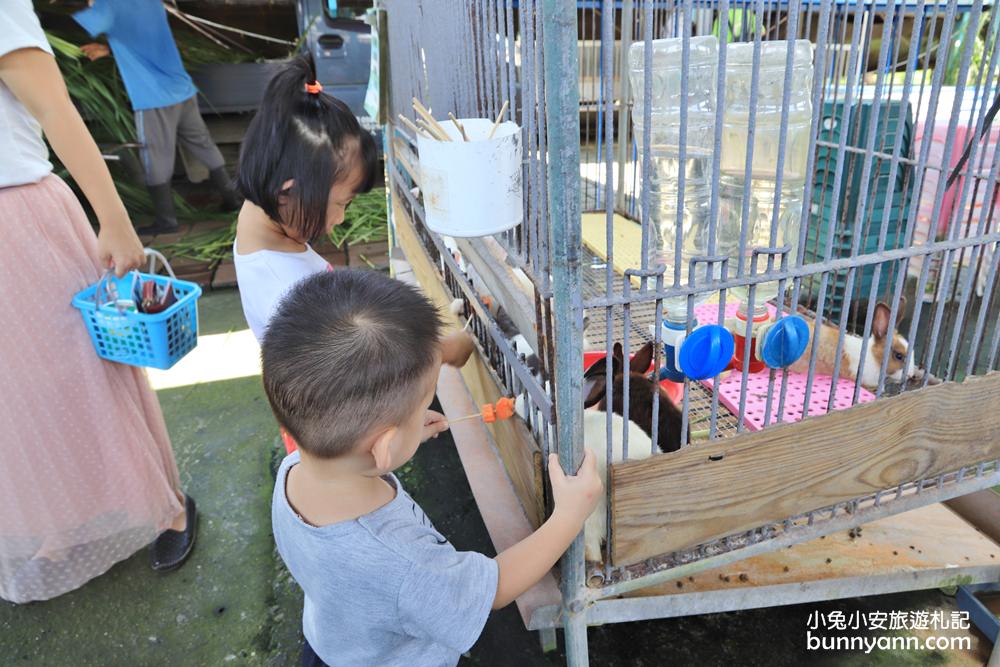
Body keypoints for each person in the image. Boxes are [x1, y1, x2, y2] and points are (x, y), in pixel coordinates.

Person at [263, 269, 602, 666]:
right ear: (382, 449)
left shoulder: (296, 467)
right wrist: (568, 517)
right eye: (423, 405)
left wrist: (405, 433)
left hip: (334, 644)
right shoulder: (404, 564)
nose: (427, 412)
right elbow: (492, 588)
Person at [0, 0, 197, 603]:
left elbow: (56, 109)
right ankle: (53, 520)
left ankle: (169, 509)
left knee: (81, 372)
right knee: (14, 400)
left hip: (20, 219)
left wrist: (115, 221)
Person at [233, 57, 473, 400]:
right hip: (334, 434)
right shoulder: (284, 290)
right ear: (287, 191)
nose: (341, 218)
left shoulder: (259, 217)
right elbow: (361, 372)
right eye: (342, 203)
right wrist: (442, 352)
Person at [74, 0, 241, 235]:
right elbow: (139, 36)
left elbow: (87, 22)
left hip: (153, 98)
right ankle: (232, 199)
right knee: (203, 145)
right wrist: (109, 49)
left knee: (155, 157)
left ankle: (166, 220)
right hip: (182, 90)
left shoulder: (108, 5)